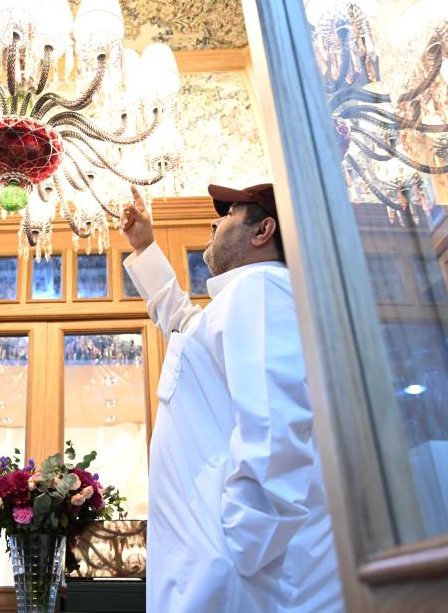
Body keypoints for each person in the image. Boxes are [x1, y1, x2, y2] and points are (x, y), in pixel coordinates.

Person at [121, 183, 342, 612]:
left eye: (228, 215)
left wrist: (235, 549)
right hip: (228, 576)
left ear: (262, 231)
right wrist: (145, 248)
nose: (214, 222)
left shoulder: (262, 289)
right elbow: (185, 328)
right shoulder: (249, 296)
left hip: (243, 580)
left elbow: (275, 429)